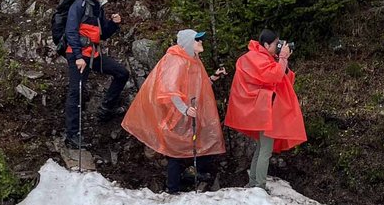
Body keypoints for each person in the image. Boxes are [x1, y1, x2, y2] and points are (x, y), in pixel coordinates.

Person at [121, 29, 227, 193]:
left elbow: (200, 86)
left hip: (189, 113)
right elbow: (170, 91)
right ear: (188, 43)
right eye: (197, 40)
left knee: (200, 142)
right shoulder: (176, 61)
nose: (200, 43)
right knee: (175, 151)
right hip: (176, 115)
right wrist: (184, 110)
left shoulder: (193, 59)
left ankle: (197, 175)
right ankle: (173, 189)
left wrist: (214, 77)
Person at [224, 28, 306, 189]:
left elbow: (284, 77)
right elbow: (274, 76)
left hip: (261, 110)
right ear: (267, 44)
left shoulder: (261, 57)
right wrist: (282, 58)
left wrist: (282, 60)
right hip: (262, 111)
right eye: (276, 44)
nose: (279, 46)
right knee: (265, 150)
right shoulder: (256, 58)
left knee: (261, 147)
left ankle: (254, 182)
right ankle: (259, 186)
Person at [62, 0, 129, 149]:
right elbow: (71, 31)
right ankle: (72, 135)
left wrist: (113, 24)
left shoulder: (97, 7)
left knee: (122, 73)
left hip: (93, 55)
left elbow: (101, 35)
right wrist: (77, 56)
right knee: (76, 92)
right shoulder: (79, 5)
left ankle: (106, 109)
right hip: (79, 55)